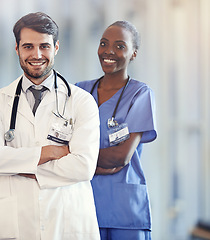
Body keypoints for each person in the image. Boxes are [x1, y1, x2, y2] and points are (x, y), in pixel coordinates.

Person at [0, 12, 100, 240]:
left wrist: (21, 166)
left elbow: (84, 166)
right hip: (15, 221)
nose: (36, 54)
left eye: (44, 46)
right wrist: (48, 153)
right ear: (17, 49)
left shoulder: (81, 101)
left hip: (67, 218)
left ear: (56, 48)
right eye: (28, 46)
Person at [76, 21, 157, 240]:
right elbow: (61, 147)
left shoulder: (141, 94)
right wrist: (91, 163)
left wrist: (78, 161)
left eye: (120, 46)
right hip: (83, 205)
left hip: (125, 210)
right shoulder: (79, 91)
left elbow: (121, 156)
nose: (109, 51)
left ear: (134, 54)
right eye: (104, 43)